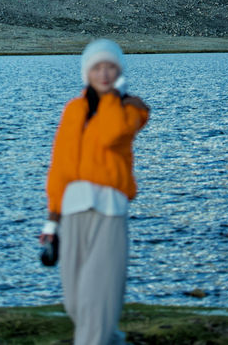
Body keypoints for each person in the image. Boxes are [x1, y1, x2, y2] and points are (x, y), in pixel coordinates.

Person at [41, 39, 149, 345]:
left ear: (120, 71)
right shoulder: (73, 109)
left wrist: (114, 96)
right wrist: (52, 219)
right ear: (86, 72)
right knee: (75, 300)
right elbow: (60, 164)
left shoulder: (130, 109)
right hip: (73, 209)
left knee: (98, 296)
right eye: (97, 67)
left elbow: (110, 134)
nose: (103, 73)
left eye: (111, 67)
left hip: (110, 210)